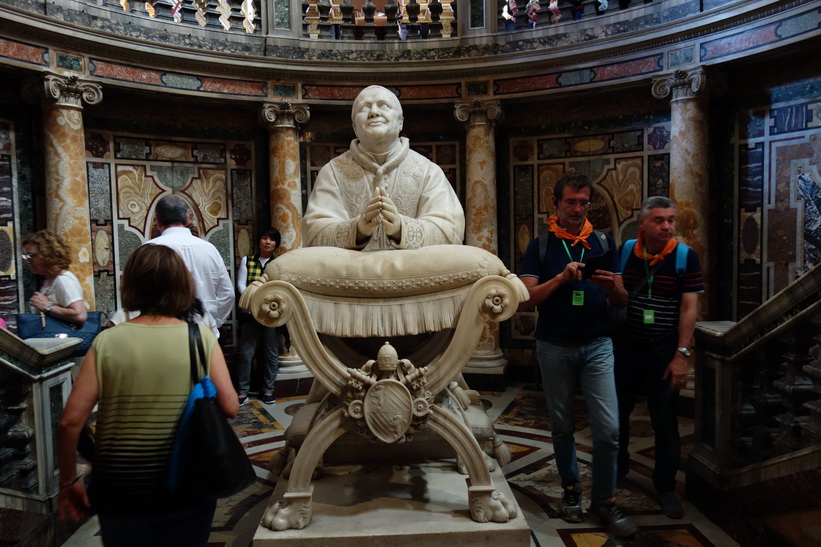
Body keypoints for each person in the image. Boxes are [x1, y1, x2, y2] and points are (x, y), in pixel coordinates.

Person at [56, 244, 239, 545]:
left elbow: (69, 422)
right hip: (186, 481)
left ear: (132, 285)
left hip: (120, 488)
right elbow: (230, 406)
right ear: (182, 285)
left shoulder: (106, 342)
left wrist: (68, 481)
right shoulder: (200, 337)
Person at [518, 172, 637, 538]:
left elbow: (622, 301)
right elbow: (525, 299)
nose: (577, 208)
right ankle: (571, 490)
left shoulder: (603, 242)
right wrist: (560, 280)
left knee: (609, 430)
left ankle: (604, 500)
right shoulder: (540, 246)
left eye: (583, 202)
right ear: (555, 204)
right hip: (554, 346)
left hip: (598, 345)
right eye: (570, 201)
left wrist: (613, 285)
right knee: (563, 426)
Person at [614, 196, 703, 520]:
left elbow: (689, 308)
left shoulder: (684, 257)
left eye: (671, 220)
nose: (667, 226)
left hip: (662, 351)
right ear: (642, 224)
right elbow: (615, 295)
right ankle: (617, 469)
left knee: (665, 422)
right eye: (659, 220)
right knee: (617, 415)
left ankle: (665, 487)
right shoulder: (625, 252)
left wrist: (681, 356)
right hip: (624, 349)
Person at [303, 85, 464, 251]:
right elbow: (314, 234)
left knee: (476, 259)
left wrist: (401, 228)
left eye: (383, 105)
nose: (374, 112)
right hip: (352, 272)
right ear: (354, 128)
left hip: (412, 271)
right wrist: (357, 229)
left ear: (400, 122)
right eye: (364, 107)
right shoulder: (332, 172)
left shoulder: (428, 171)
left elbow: (451, 232)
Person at [147, 194, 235, 337]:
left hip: (161, 335)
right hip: (204, 333)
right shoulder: (209, 249)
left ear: (157, 221)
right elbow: (228, 294)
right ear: (188, 218)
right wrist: (212, 320)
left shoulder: (147, 250)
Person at [236, 227, 282, 405]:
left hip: (271, 315)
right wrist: (253, 300)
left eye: (271, 239)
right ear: (259, 241)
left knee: (271, 352)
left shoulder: (278, 264)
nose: (268, 242)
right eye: (264, 238)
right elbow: (241, 284)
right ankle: (243, 391)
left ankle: (268, 390)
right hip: (249, 313)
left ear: (276, 244)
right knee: (246, 353)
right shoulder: (248, 261)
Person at [22, 230, 88, 326]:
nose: (28, 261)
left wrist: (48, 307)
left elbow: (79, 315)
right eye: (25, 256)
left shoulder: (63, 280)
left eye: (31, 256)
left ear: (47, 255)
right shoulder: (49, 279)